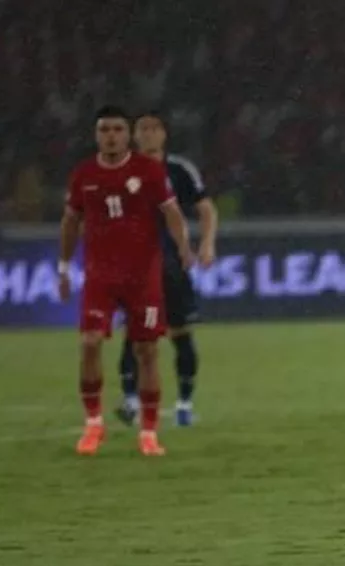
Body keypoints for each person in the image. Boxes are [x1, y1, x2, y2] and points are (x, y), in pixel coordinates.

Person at [59, 105, 194, 456]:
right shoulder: (83, 174)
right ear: (96, 134)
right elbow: (70, 221)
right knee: (89, 343)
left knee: (147, 350)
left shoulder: (148, 171)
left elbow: (171, 212)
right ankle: (93, 426)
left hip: (142, 277)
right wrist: (63, 266)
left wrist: (183, 247)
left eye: (118, 129)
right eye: (104, 130)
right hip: (100, 277)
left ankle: (148, 433)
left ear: (127, 134)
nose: (111, 136)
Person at [116, 110, 218, 428]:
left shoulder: (179, 170)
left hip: (173, 264)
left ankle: (184, 405)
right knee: (137, 334)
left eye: (153, 128)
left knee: (180, 334)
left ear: (164, 135)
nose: (147, 134)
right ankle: (131, 402)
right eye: (142, 128)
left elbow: (206, 209)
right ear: (134, 136)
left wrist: (207, 244)